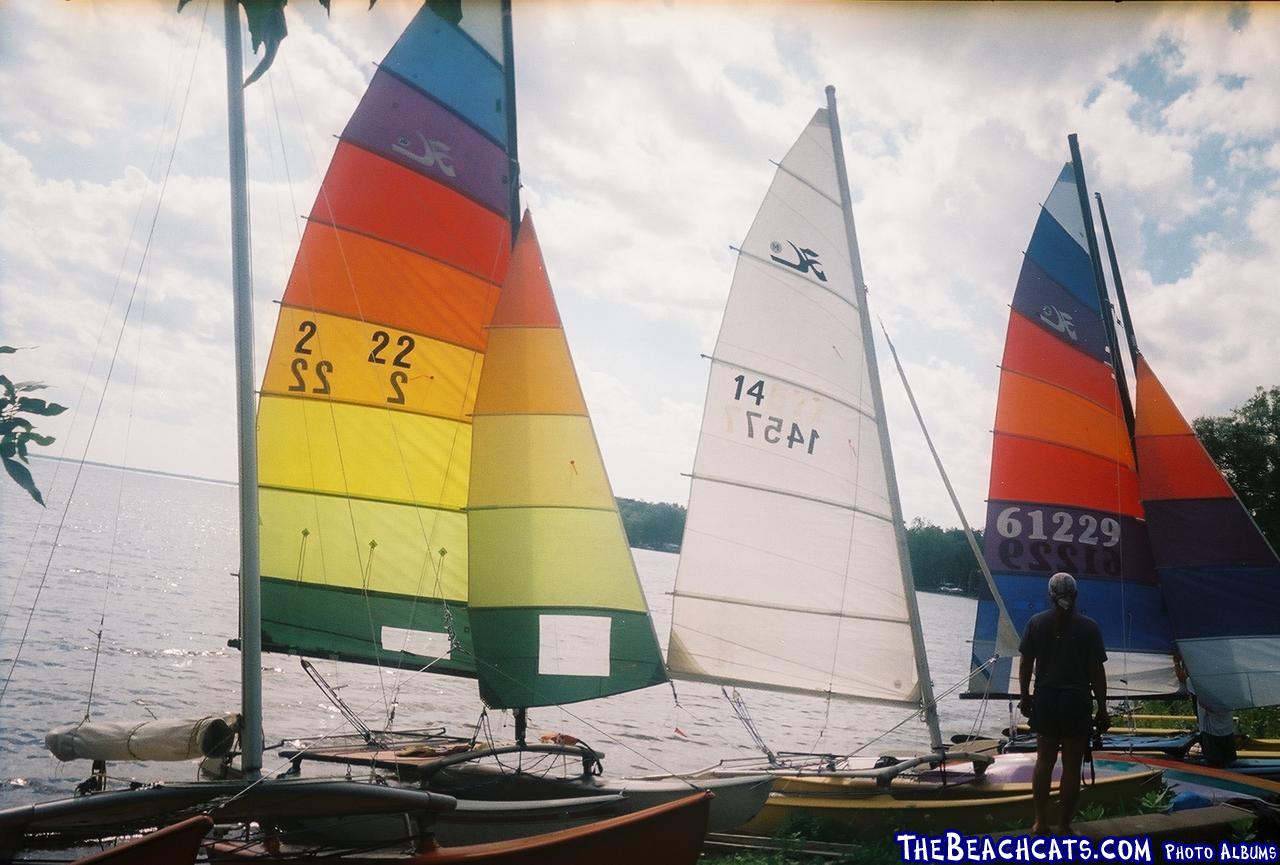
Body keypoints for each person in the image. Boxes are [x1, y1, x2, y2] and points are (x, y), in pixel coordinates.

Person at [1017, 572, 1109, 835]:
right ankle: (1065, 826)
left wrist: (1025, 696)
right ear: (1076, 595)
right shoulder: (1089, 628)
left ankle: (1040, 822)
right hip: (1076, 703)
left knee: (1043, 762)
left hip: (1046, 700)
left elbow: (1025, 665)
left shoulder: (1036, 623)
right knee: (1071, 766)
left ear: (1050, 595)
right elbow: (1096, 673)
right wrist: (1102, 708)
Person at [1173, 650, 1237, 768]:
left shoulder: (1203, 685)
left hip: (1211, 735)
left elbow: (1182, 678)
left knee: (1214, 767)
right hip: (1227, 732)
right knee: (1229, 764)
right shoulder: (1228, 685)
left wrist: (1177, 661)